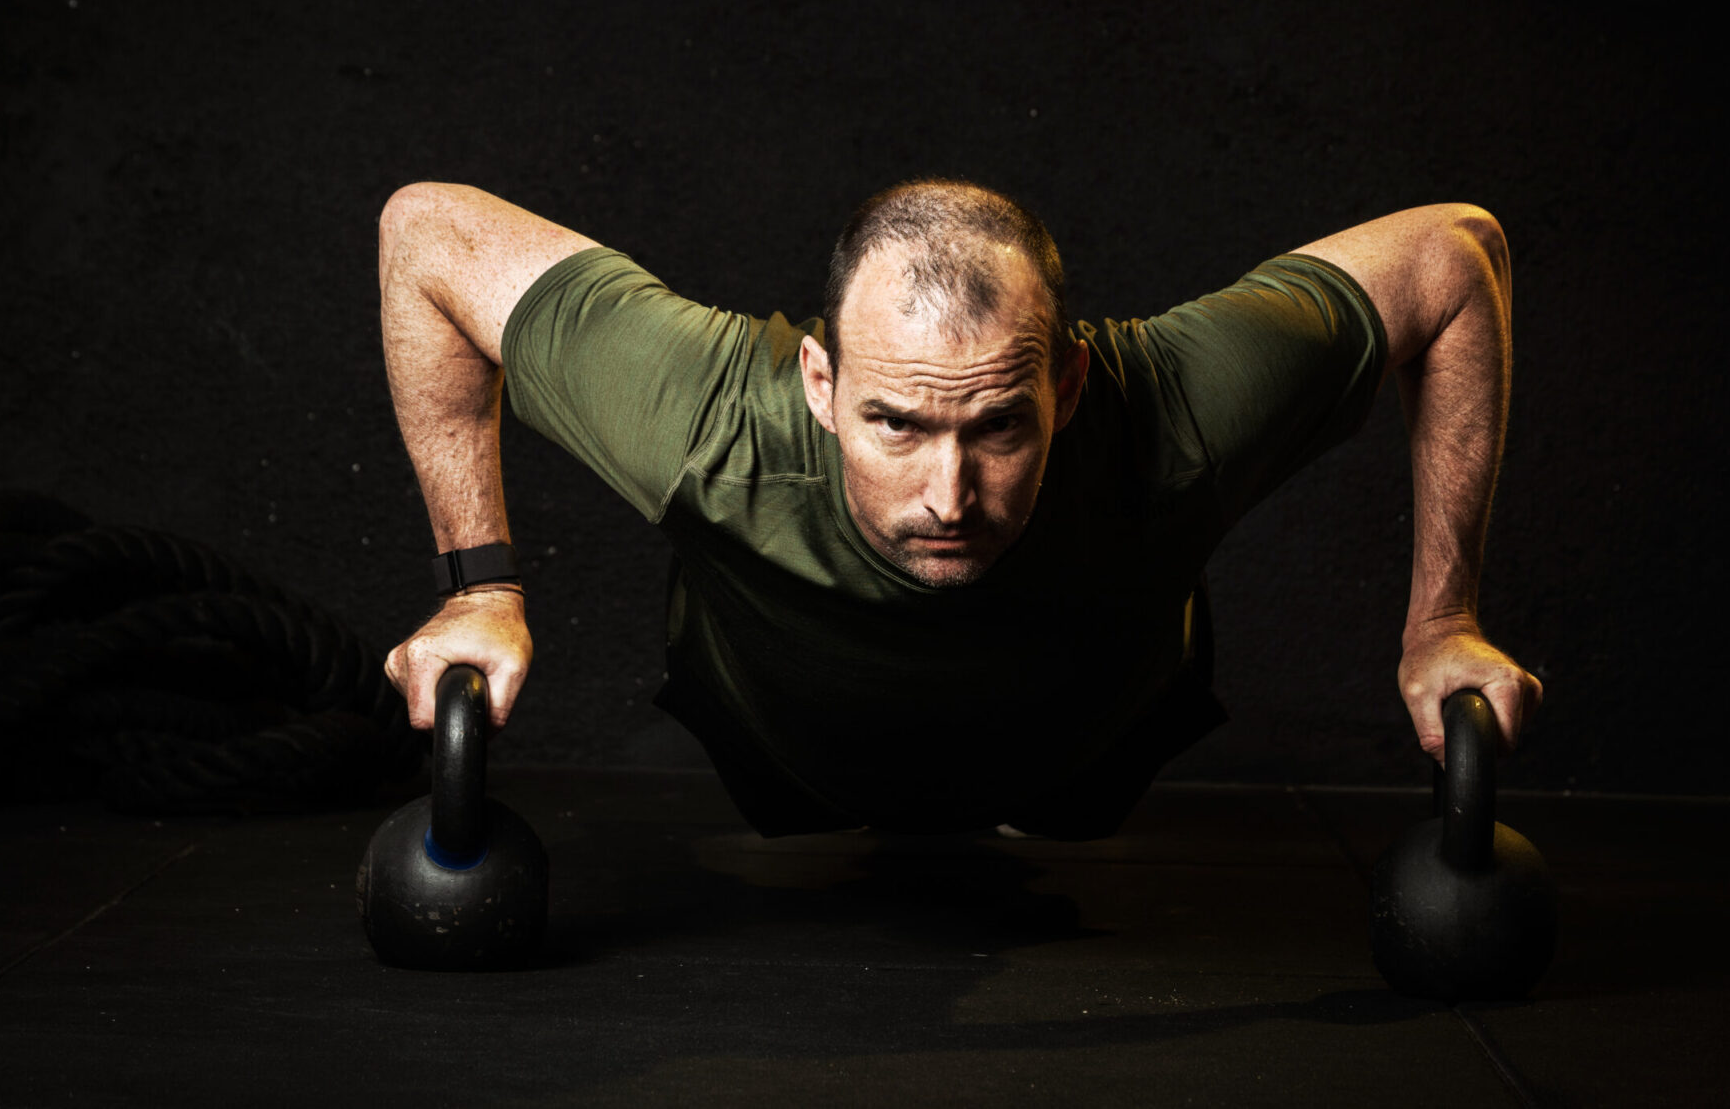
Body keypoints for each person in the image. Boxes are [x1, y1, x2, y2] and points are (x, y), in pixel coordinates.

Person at [377, 178, 1541, 837]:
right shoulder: (713, 417)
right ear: (822, 388)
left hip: (1082, 768)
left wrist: (1443, 621)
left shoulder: (1173, 405)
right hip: (789, 767)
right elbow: (426, 234)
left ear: (1068, 385)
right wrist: (479, 588)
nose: (948, 497)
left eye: (999, 428)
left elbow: (1453, 252)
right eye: (896, 424)